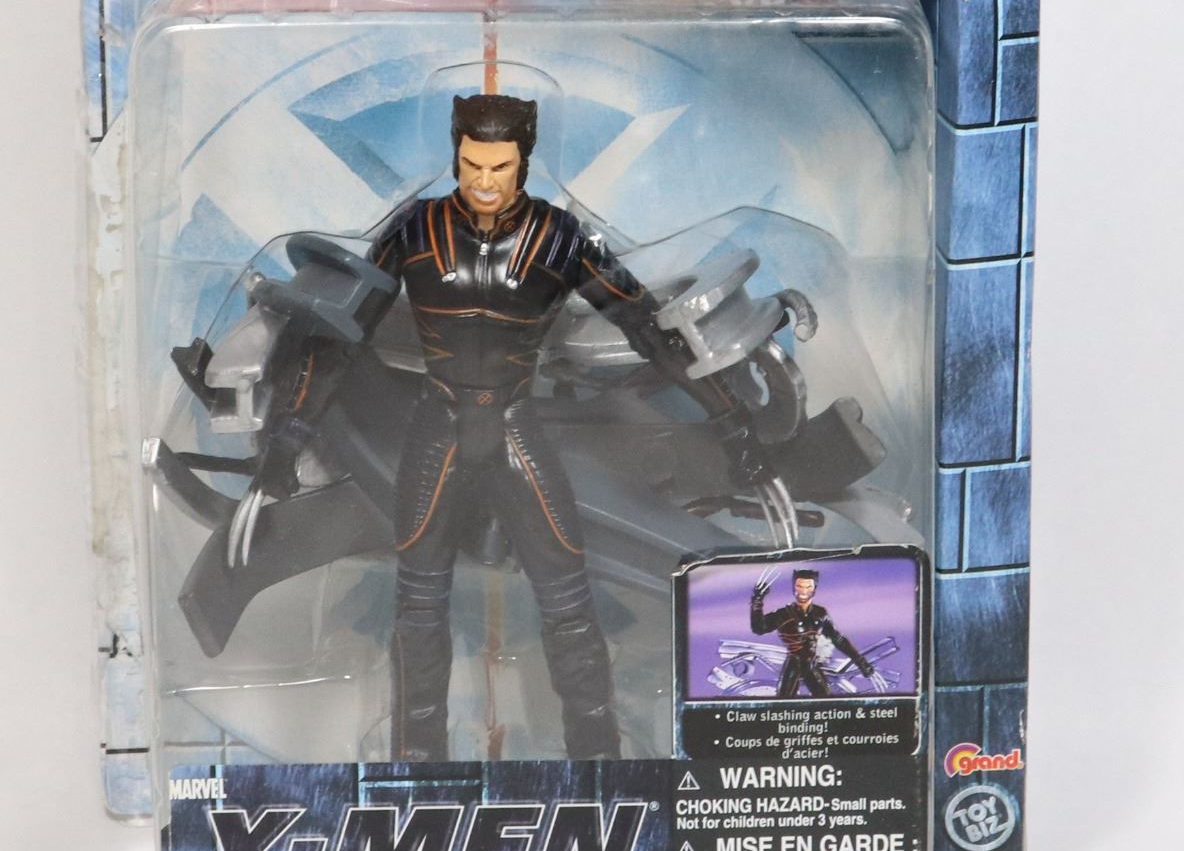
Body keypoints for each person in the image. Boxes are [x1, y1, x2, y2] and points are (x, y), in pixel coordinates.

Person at [234, 93, 772, 762]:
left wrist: (733, 422)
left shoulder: (560, 237)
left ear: (524, 162)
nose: (484, 182)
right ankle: (419, 767)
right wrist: (287, 438)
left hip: (516, 427)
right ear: (456, 156)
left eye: (500, 167)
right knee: (419, 608)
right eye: (471, 165)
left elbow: (651, 332)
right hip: (438, 427)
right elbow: (340, 337)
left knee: (568, 601)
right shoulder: (415, 231)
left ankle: (599, 759)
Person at [750, 566, 888, 698]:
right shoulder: (783, 614)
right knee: (783, 703)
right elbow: (759, 628)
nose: (803, 591)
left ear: (814, 588)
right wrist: (757, 602)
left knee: (825, 701)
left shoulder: (820, 613)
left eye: (808, 587)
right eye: (799, 586)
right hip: (794, 664)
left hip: (811, 664)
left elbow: (838, 639)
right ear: (794, 587)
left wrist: (863, 665)